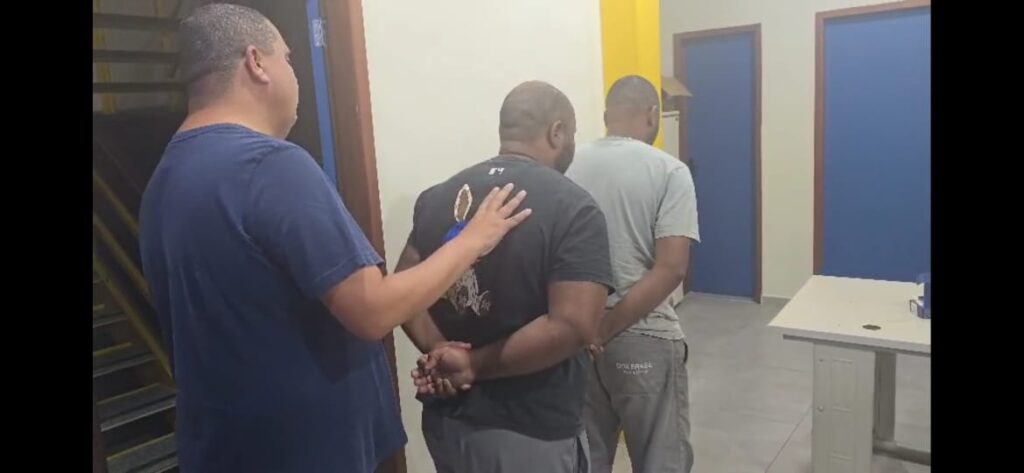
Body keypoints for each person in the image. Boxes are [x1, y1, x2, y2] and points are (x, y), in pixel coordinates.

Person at [137, 4, 530, 472]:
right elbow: (372, 310)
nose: (295, 75)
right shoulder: (271, 166)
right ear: (256, 63)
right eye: (287, 58)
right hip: (300, 453)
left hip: (221, 448)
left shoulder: (163, 180)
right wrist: (473, 239)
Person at [398, 81, 614, 473]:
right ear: (557, 132)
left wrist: (441, 351)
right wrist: (471, 365)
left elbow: (403, 291)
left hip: (447, 422)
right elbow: (573, 325)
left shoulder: (437, 197)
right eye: (572, 134)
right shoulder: (573, 207)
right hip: (529, 429)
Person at [566, 75, 701, 473]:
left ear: (606, 116)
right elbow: (671, 268)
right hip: (643, 337)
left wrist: (587, 333)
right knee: (660, 460)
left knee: (587, 459)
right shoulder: (670, 171)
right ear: (652, 115)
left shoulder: (566, 167)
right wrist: (604, 331)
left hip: (574, 337)